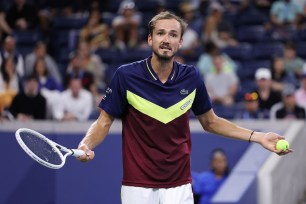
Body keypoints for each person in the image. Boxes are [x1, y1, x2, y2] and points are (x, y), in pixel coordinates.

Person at [76, 11, 291, 204]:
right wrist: (87, 144)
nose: (166, 40)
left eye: (173, 35)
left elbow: (211, 122)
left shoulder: (191, 77)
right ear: (150, 39)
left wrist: (258, 137)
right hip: (137, 186)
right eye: (160, 33)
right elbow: (104, 121)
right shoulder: (126, 76)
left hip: (179, 186)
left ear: (180, 43)